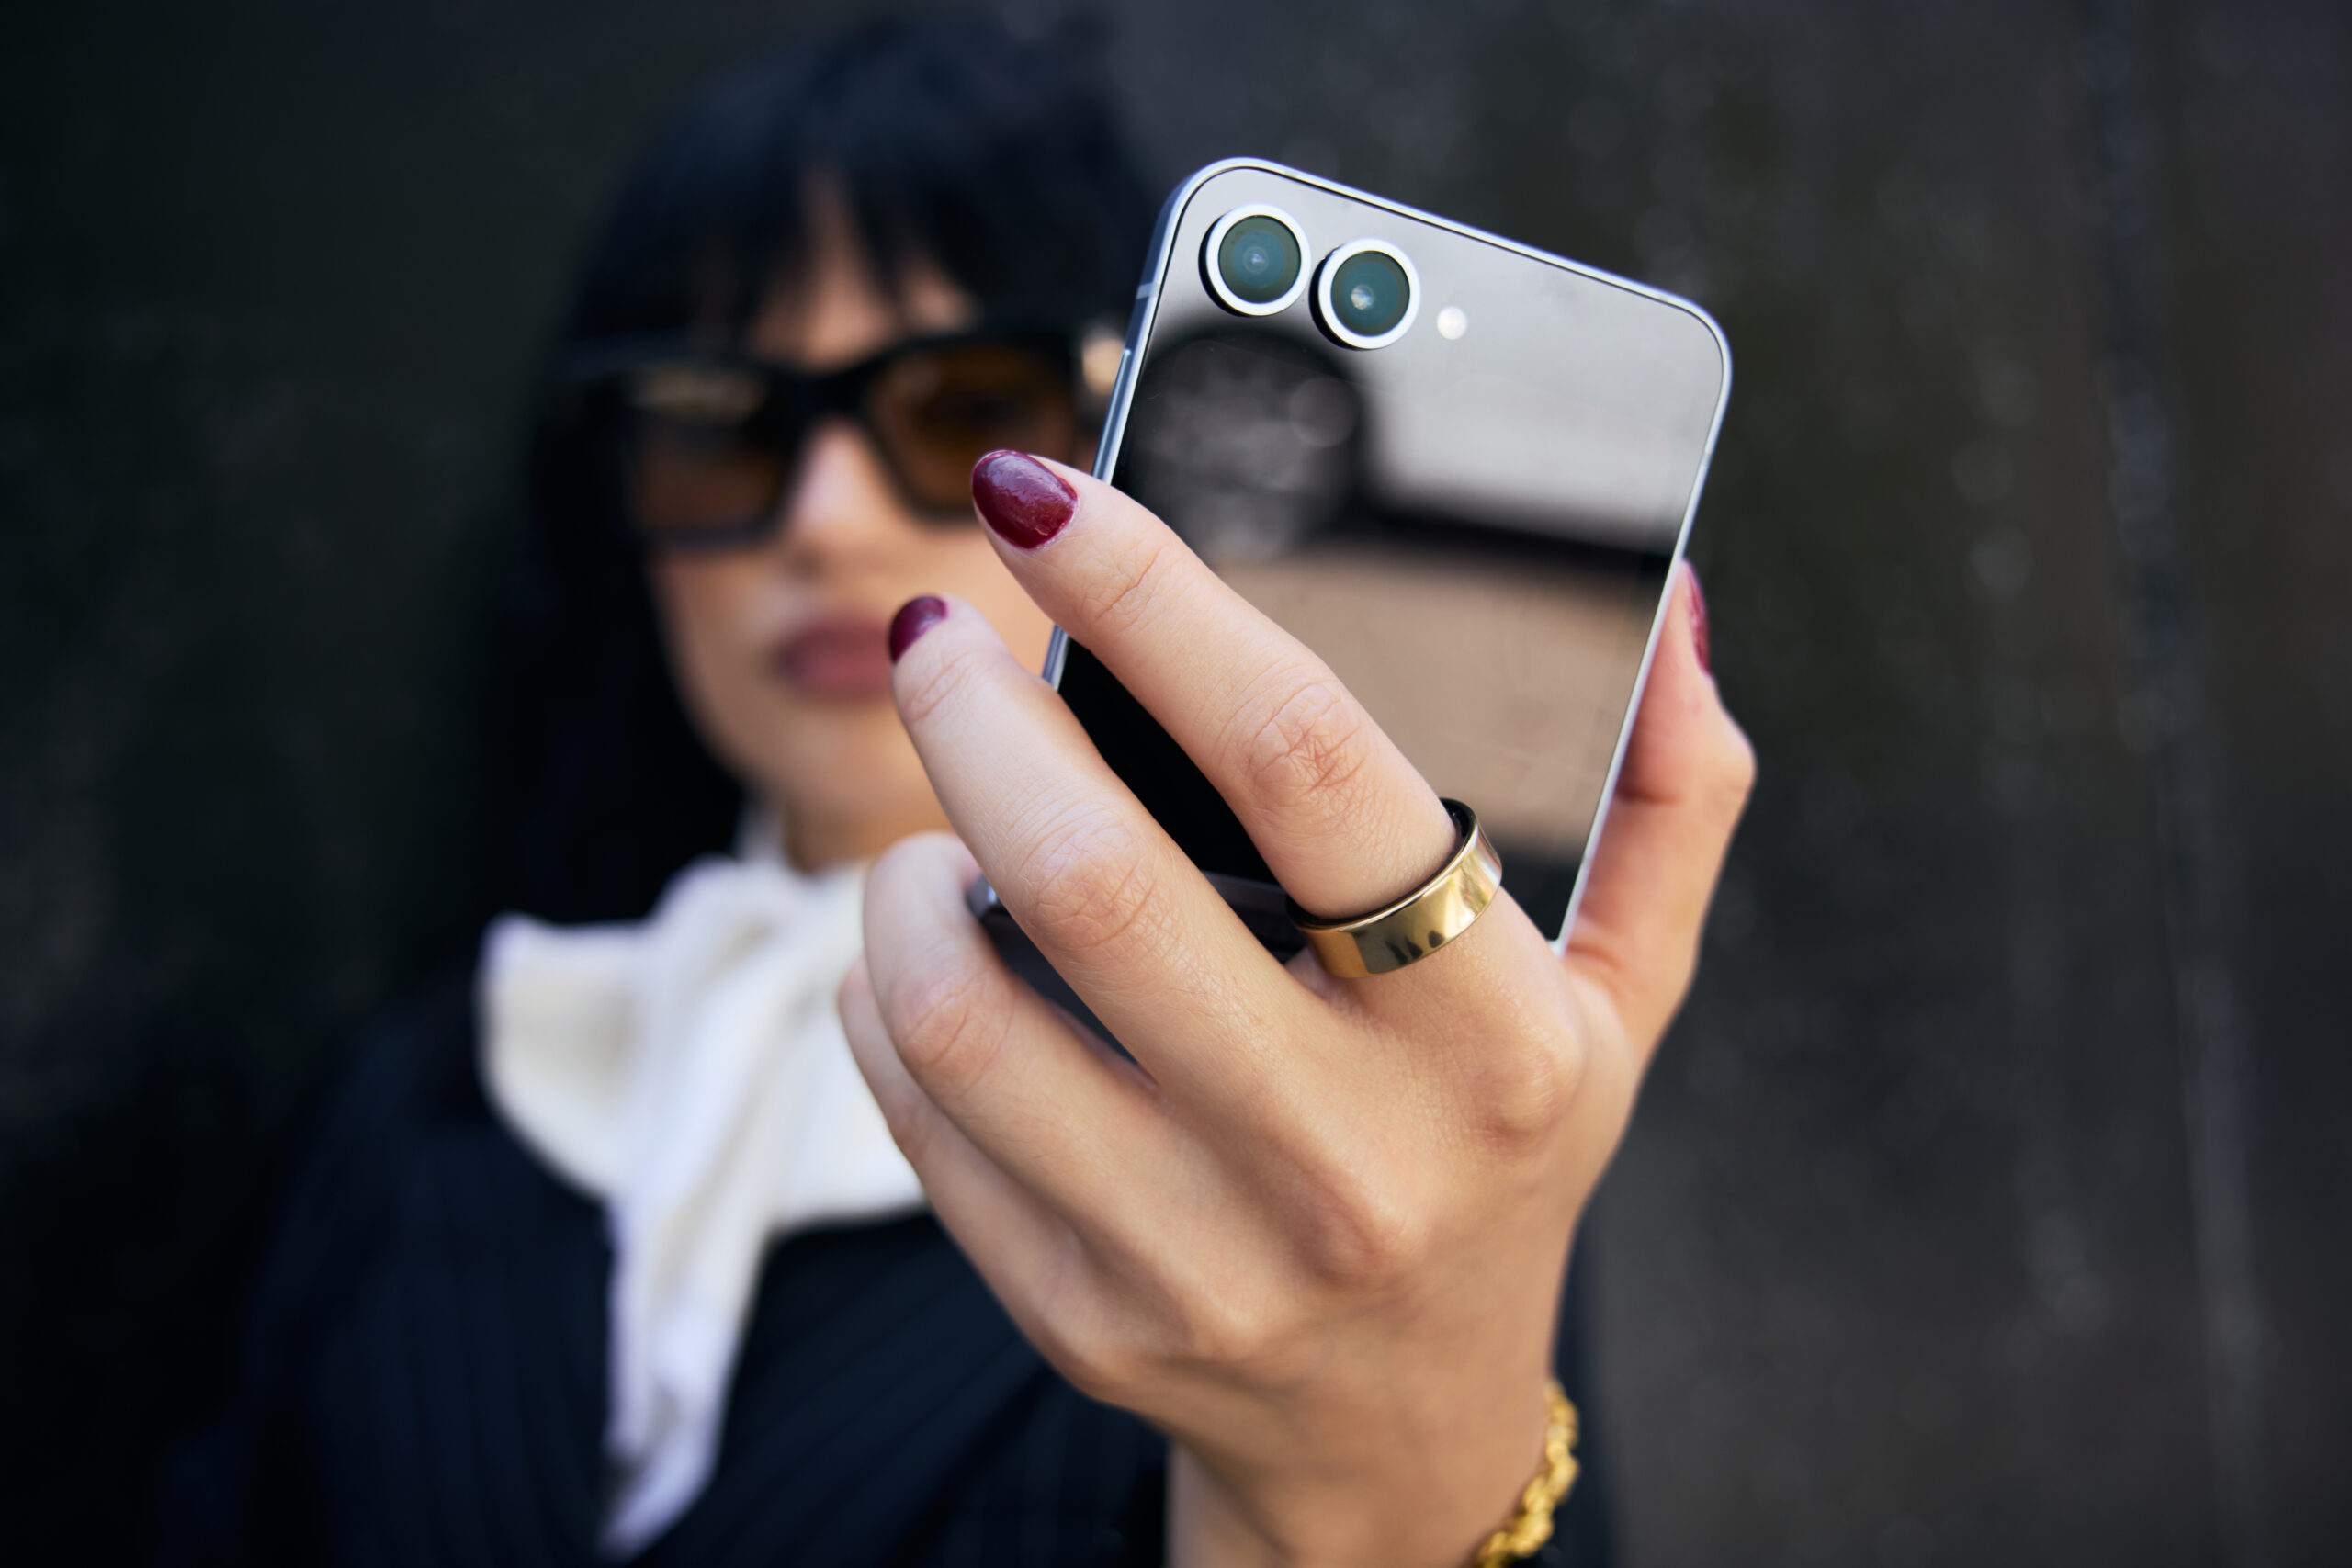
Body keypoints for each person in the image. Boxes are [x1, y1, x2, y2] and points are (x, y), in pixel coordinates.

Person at [164, 17, 1752, 1568]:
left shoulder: (1341, 1142)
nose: (824, 520)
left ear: (1141, 436)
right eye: (717, 431)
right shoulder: (424, 1102)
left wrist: (1384, 1503)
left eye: (960, 407)